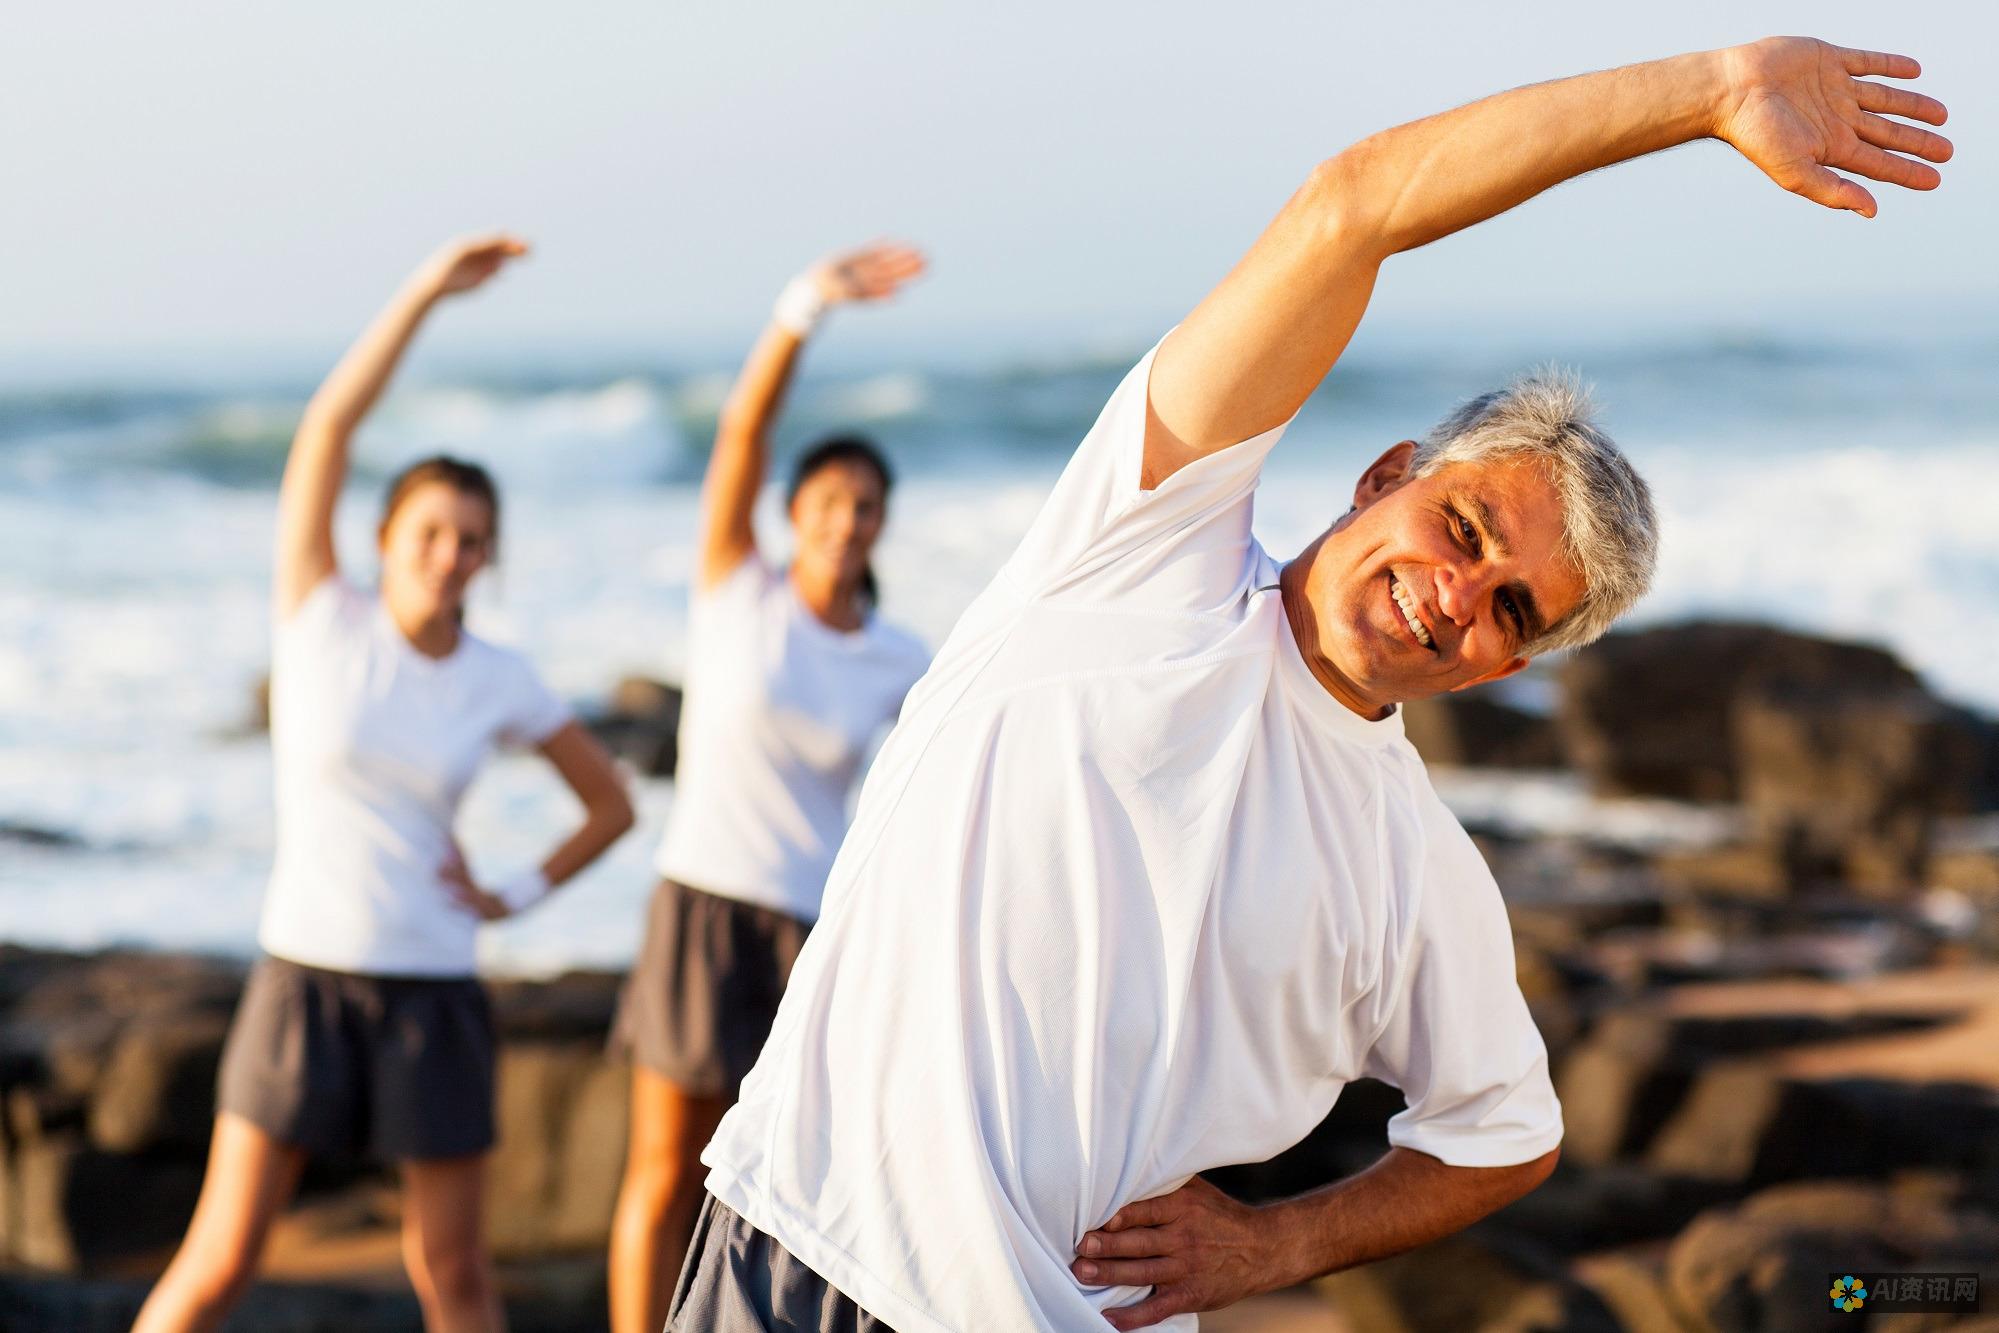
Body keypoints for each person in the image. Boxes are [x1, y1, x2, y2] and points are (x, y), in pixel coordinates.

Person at [669, 36, 1953, 1332]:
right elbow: (1352, 206)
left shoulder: (1412, 871)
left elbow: (1505, 1133)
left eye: (1509, 607)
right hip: (803, 1258)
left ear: (1506, 663)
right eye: (1461, 528)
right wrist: (1704, 93)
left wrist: (1275, 1242)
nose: (1458, 595)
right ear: (1386, 472)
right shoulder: (1135, 550)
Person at [133, 235, 636, 1333]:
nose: (450, 555)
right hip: (303, 976)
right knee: (220, 1261)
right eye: (432, 534)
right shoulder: (322, 619)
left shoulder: (500, 677)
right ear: (386, 538)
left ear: (488, 559)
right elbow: (326, 427)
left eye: (472, 542)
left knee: (452, 1275)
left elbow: (611, 805)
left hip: (432, 987)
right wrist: (423, 295)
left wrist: (514, 892)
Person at [606, 243, 934, 1333]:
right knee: (662, 1163)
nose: (848, 521)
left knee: (779, 1177)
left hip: (808, 929)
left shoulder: (896, 654)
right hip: (699, 900)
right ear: (797, 511)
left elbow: (950, 773)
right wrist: (804, 308)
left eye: (868, 507)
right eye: (833, 500)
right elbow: (741, 436)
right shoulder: (734, 591)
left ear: (882, 525)